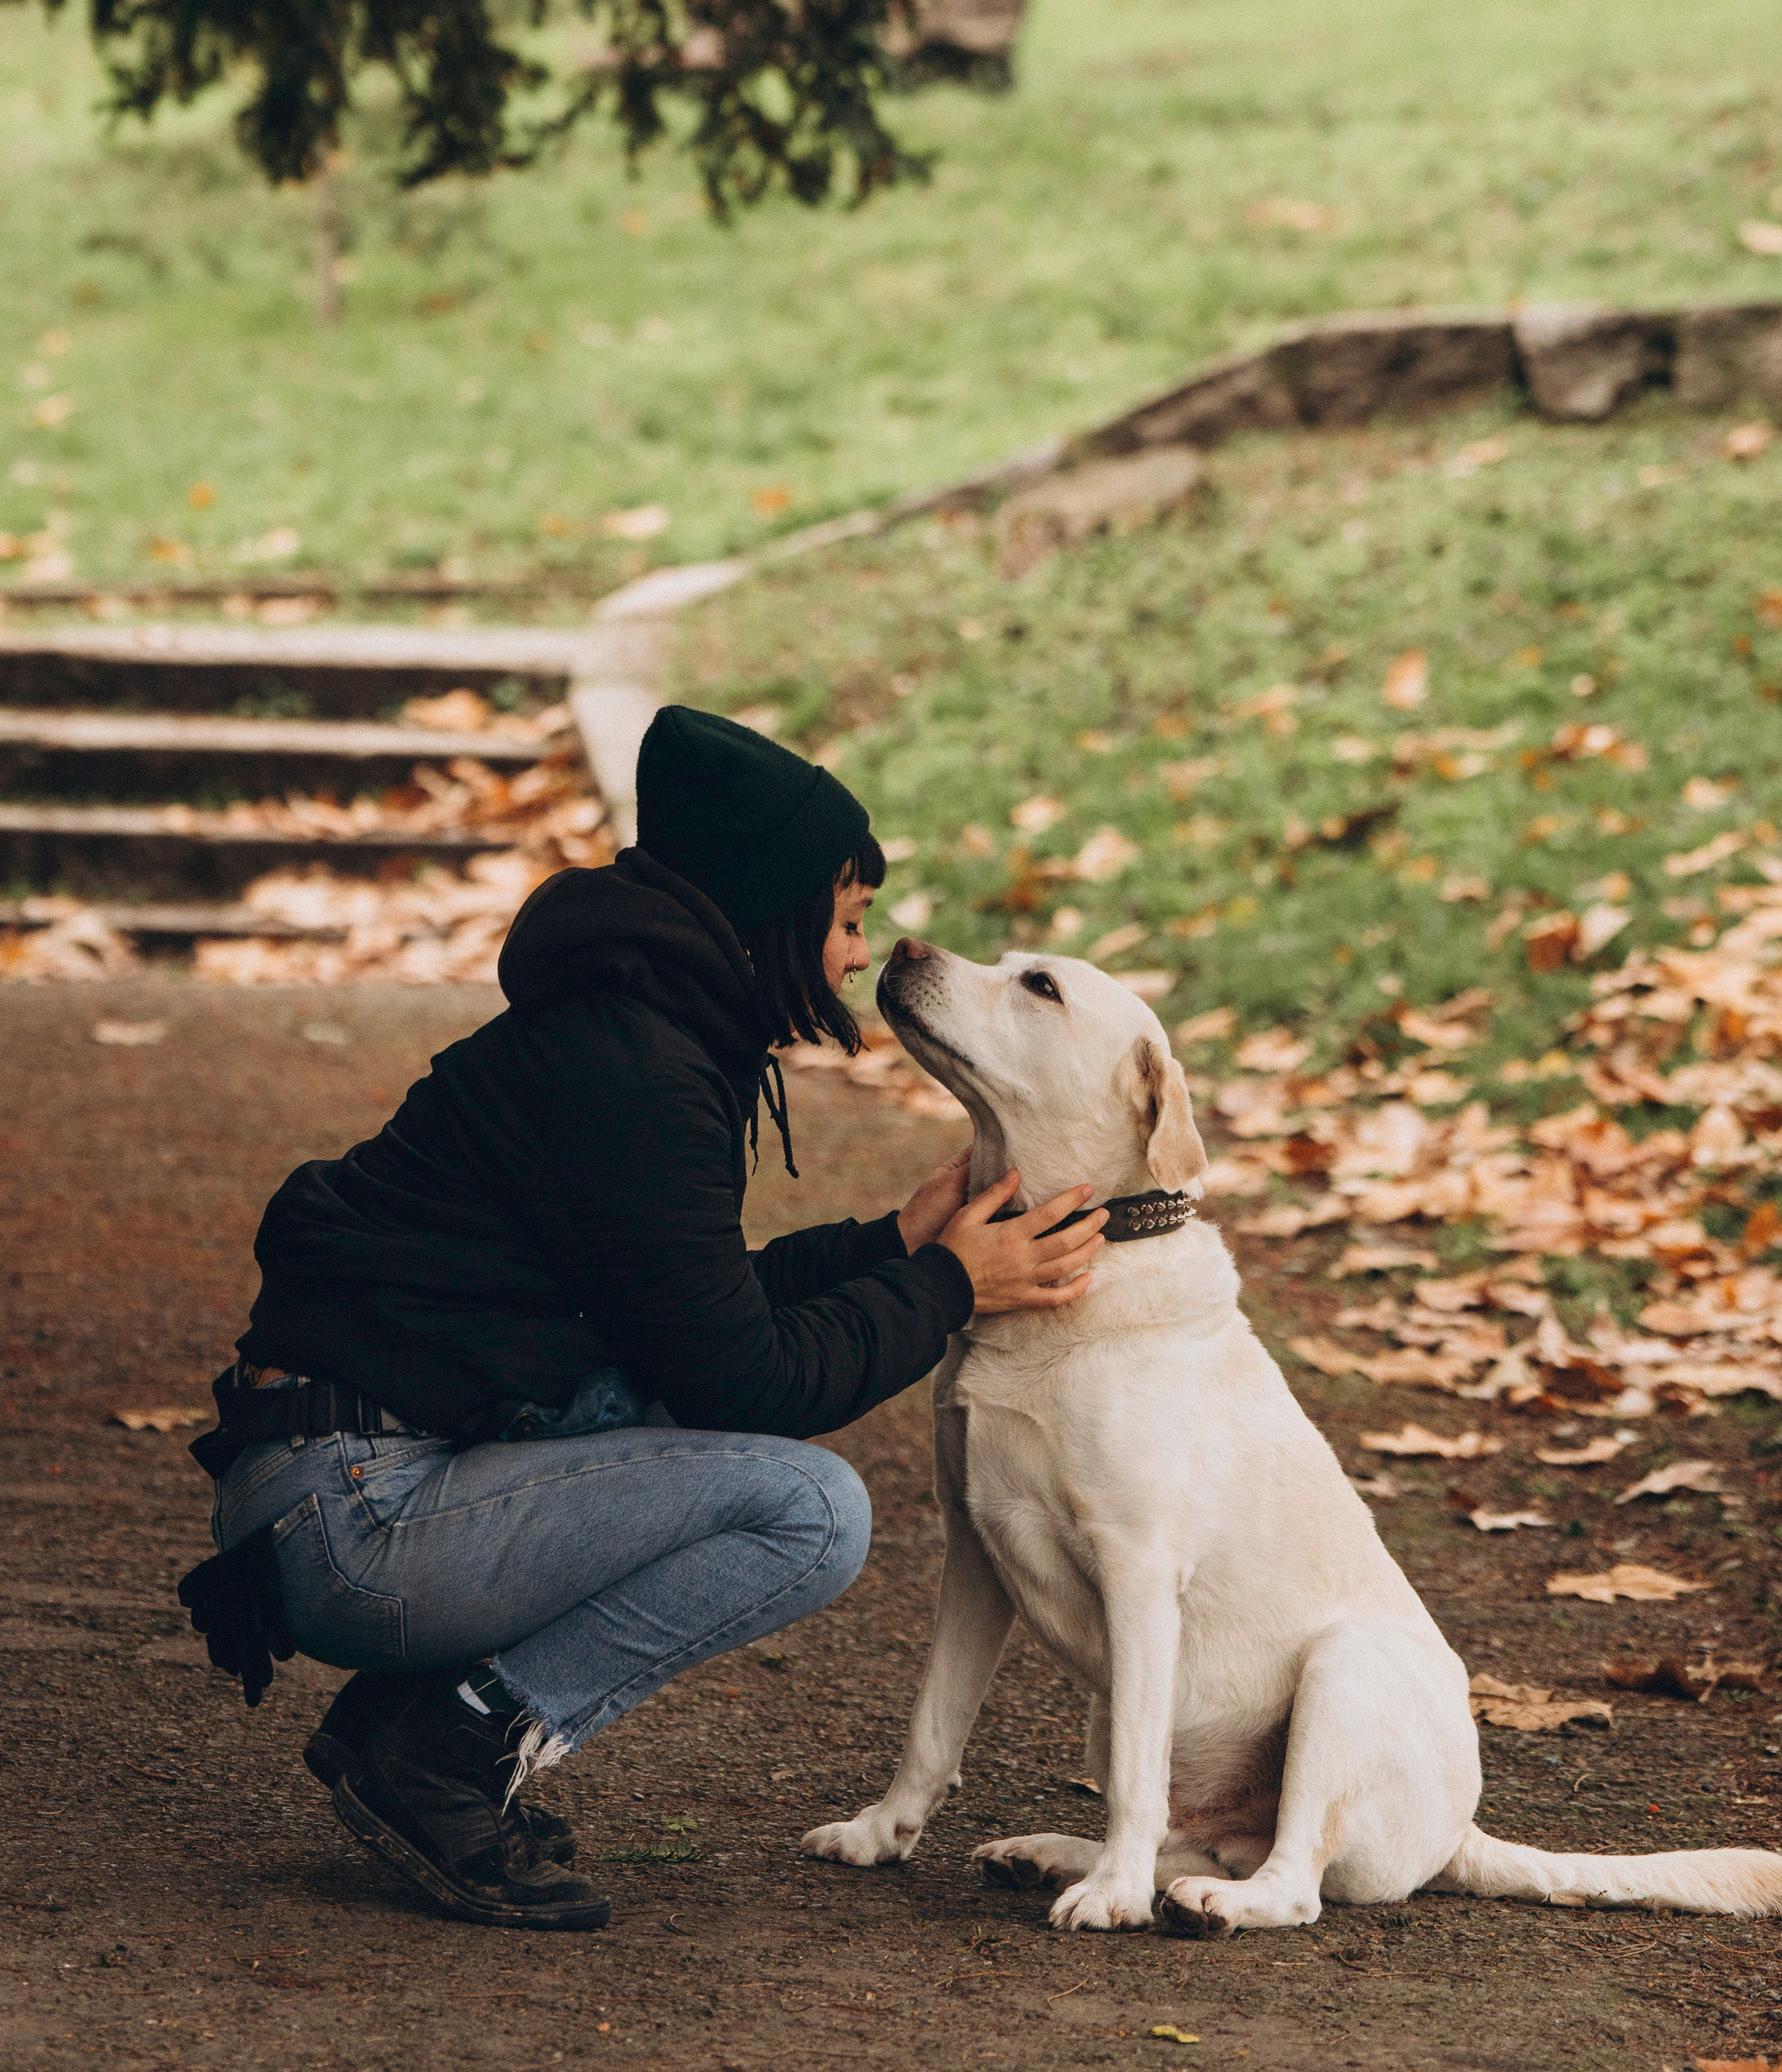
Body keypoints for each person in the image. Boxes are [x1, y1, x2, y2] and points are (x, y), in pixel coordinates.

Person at [186, 705, 1108, 1932]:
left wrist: (892, 1246)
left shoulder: (633, 1030)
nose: (851, 957)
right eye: (844, 922)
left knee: (680, 1409)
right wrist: (949, 1288)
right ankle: (449, 1745)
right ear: (771, 912)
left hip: (336, 1482)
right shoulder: (638, 1071)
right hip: (352, 1515)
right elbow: (744, 1380)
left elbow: (683, 1315)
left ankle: (415, 1722)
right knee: (808, 1509)